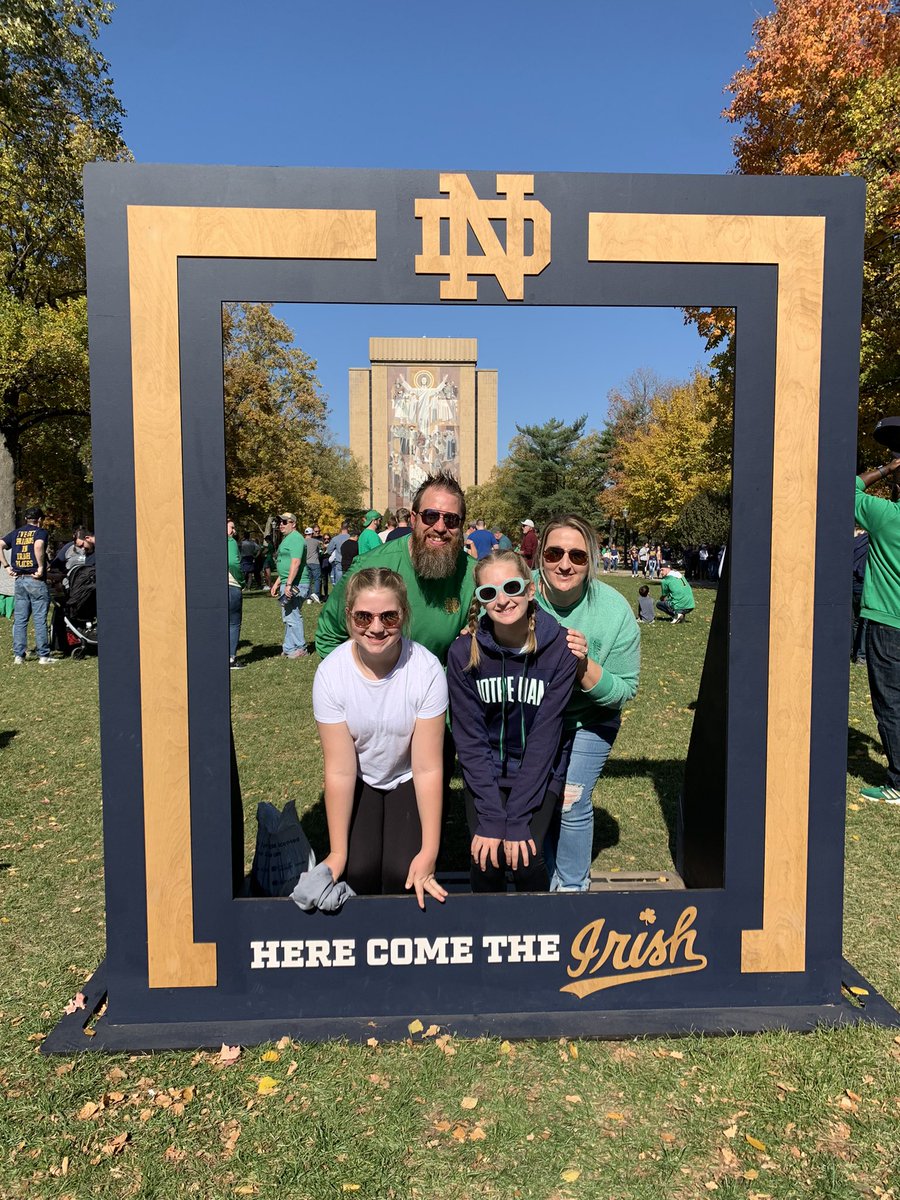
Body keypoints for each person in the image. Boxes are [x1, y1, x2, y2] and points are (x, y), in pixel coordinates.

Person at [312, 568, 448, 906]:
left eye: (388, 616)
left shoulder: (427, 670)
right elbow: (341, 771)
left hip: (407, 775)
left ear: (404, 614)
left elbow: (429, 768)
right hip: (361, 776)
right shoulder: (331, 674)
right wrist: (337, 852)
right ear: (348, 616)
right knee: (358, 871)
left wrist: (430, 851)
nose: (375, 627)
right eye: (363, 617)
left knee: (404, 873)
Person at [447, 551, 578, 893]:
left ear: (531, 590)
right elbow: (470, 740)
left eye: (512, 587)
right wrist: (491, 817)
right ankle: (485, 934)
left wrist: (517, 819)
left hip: (539, 768)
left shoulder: (560, 650)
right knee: (486, 858)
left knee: (525, 858)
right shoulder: (463, 653)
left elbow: (545, 740)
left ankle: (536, 935)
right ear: (480, 600)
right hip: (486, 769)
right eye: (489, 593)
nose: (502, 600)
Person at [533, 515, 641, 892]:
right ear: (540, 557)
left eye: (577, 556)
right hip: (531, 720)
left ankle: (573, 890)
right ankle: (547, 882)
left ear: (591, 561)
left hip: (590, 719)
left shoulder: (614, 611)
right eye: (555, 552)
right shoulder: (516, 594)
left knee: (570, 797)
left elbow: (625, 689)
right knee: (536, 798)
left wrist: (584, 667)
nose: (565, 564)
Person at [316, 473, 476, 665]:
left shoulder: (474, 575)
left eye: (451, 520)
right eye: (431, 516)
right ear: (414, 519)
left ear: (461, 525)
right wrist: (367, 684)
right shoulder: (369, 566)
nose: (440, 527)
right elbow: (328, 636)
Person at [854, 452, 900, 803]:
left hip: (888, 623)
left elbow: (845, 490)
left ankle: (898, 783)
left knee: (890, 704)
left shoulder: (886, 517)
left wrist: (886, 469)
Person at [0, 506, 57, 664]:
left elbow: (0, 544)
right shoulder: (40, 532)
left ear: (26, 519)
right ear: (39, 520)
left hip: (19, 580)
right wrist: (40, 567)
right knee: (39, 619)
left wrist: (6, 566)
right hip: (35, 580)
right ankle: (43, 656)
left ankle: (19, 655)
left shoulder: (16, 533)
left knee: (20, 619)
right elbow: (38, 546)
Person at [270, 512, 308, 658]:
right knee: (288, 616)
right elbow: (286, 565)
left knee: (293, 615)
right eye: (279, 522)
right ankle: (289, 647)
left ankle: (300, 648)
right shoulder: (288, 539)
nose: (281, 524)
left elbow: (295, 563)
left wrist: (288, 584)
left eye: (285, 522)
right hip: (287, 582)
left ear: (293, 523)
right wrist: (277, 582)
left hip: (296, 583)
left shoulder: (296, 539)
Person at [226, 518, 246, 669]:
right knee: (233, 623)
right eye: (232, 527)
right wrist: (241, 581)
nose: (234, 531)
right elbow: (233, 562)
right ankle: (231, 658)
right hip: (232, 585)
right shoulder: (230, 542)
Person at [851, 525, 869, 665]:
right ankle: (860, 654)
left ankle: (851, 650)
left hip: (849, 584)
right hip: (862, 585)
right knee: (862, 622)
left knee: (852, 621)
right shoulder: (867, 540)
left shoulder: (851, 540)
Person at [303, 527, 322, 604]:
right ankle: (316, 594)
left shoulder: (302, 541)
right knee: (317, 579)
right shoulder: (316, 541)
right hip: (315, 562)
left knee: (309, 580)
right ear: (311, 533)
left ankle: (309, 598)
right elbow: (323, 547)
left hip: (306, 563)